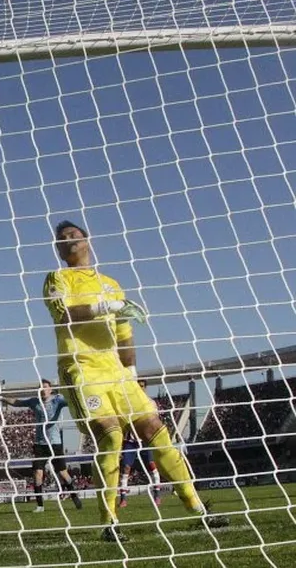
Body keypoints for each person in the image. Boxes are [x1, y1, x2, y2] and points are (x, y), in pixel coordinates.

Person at [44, 220, 227, 541]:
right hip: (81, 369)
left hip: (118, 374)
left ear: (87, 240)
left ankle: (198, 507)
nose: (69, 239)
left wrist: (133, 375)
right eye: (63, 239)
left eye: (75, 235)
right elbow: (64, 315)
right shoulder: (57, 278)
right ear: (59, 250)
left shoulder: (113, 284)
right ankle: (109, 522)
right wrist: (104, 307)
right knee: (111, 435)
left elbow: (125, 340)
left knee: (155, 428)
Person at [0, 379, 83, 512]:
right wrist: (0, 397)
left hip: (55, 443)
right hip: (40, 444)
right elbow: (17, 402)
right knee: (37, 474)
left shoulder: (58, 400)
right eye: (41, 387)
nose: (43, 389)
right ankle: (40, 505)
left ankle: (74, 496)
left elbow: (72, 401)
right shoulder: (34, 402)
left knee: (63, 474)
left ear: (50, 389)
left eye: (45, 387)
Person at [119, 380, 163, 508]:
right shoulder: (128, 403)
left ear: (146, 388)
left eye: (142, 386)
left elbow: (154, 420)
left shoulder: (151, 403)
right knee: (126, 468)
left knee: (152, 465)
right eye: (138, 386)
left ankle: (157, 496)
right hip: (130, 440)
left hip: (145, 440)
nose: (140, 388)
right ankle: (123, 499)